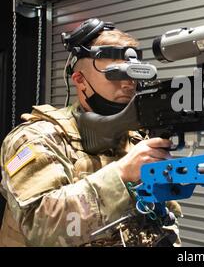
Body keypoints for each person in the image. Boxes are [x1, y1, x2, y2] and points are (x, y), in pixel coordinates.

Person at [0, 18, 181, 247]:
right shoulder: (37, 138)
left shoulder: (136, 140)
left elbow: (163, 222)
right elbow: (41, 226)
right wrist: (122, 173)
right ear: (80, 80)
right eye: (116, 74)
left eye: (134, 74)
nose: (128, 83)